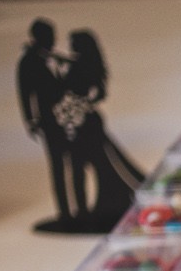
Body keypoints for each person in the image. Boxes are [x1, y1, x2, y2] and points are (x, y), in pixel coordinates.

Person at [57, 30, 144, 227]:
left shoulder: (80, 67)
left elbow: (68, 88)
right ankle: (88, 208)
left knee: (86, 166)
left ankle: (86, 210)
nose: (70, 46)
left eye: (73, 43)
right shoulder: (90, 64)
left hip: (84, 123)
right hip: (88, 119)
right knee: (101, 164)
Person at [17, 20, 73, 226]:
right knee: (59, 166)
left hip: (66, 118)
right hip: (49, 120)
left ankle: (75, 210)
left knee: (71, 164)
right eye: (50, 36)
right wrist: (31, 121)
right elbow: (25, 93)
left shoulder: (50, 58)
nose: (54, 40)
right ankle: (66, 213)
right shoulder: (29, 61)